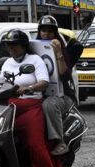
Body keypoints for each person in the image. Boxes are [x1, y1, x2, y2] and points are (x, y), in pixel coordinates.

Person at [0, 29, 63, 167]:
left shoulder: (35, 60)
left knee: (34, 142)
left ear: (23, 46)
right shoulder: (7, 63)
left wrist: (29, 88)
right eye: (9, 45)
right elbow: (1, 82)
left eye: (14, 45)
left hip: (31, 105)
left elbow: (44, 82)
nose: (11, 48)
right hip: (10, 105)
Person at [36, 15, 83, 156]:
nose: (46, 34)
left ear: (55, 33)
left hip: (62, 95)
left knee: (49, 104)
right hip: (38, 91)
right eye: (43, 30)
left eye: (50, 31)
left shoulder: (61, 49)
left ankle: (59, 141)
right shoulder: (33, 50)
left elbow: (65, 75)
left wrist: (58, 53)